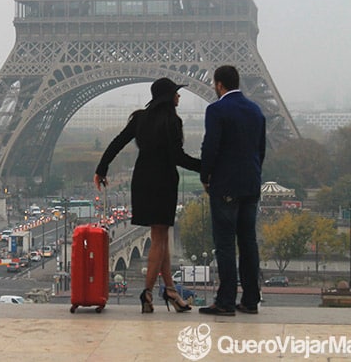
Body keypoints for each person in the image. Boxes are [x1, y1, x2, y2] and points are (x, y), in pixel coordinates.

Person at [94, 77, 200, 313]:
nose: (179, 96)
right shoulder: (172, 121)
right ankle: (149, 292)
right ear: (168, 96)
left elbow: (117, 142)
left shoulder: (140, 118)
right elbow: (178, 157)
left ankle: (170, 290)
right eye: (176, 92)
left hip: (142, 180)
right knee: (160, 237)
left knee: (159, 237)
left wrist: (101, 169)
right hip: (163, 180)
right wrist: (207, 167)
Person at [198, 65, 266, 316]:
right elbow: (261, 149)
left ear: (218, 85)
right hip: (250, 183)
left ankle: (226, 301)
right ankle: (250, 299)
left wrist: (205, 176)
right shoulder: (256, 110)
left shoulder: (217, 110)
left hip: (226, 184)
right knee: (248, 242)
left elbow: (211, 147)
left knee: (225, 244)